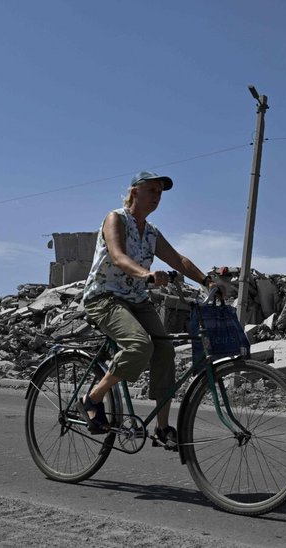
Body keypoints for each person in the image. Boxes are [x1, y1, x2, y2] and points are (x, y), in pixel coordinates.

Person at [80, 170, 216, 450]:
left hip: (135, 300)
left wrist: (207, 281)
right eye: (152, 191)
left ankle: (162, 427)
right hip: (104, 297)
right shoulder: (115, 218)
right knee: (140, 345)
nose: (157, 197)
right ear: (134, 193)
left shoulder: (152, 233)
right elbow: (117, 256)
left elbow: (179, 259)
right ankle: (92, 399)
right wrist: (147, 274)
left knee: (164, 348)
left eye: (160, 193)